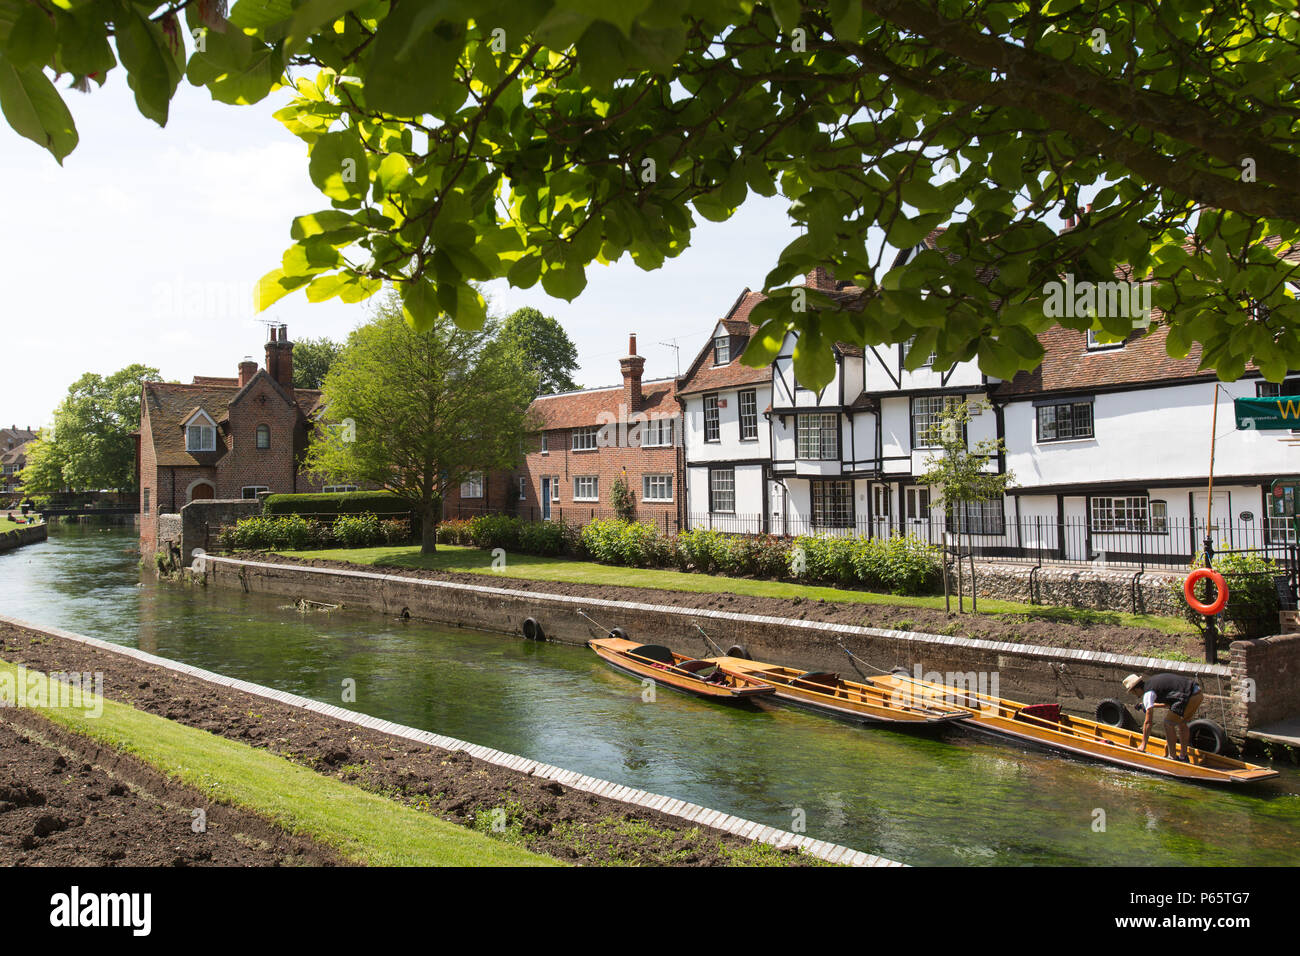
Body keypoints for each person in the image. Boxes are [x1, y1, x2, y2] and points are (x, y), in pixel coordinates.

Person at [1123, 673, 1203, 761]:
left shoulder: (1148, 693)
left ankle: (1172, 757)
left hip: (1188, 697)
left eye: (1132, 692)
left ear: (1136, 689)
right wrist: (1149, 705)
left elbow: (1148, 722)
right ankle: (1183, 756)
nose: (1133, 694)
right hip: (1197, 694)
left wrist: (1143, 744)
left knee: (1168, 723)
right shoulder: (1153, 685)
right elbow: (1170, 702)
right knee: (1182, 723)